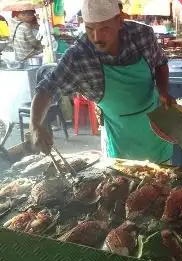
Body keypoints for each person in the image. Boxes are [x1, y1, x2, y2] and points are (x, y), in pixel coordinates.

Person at [30, 0, 173, 164]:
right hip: (120, 145)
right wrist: (35, 126)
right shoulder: (79, 57)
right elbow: (47, 89)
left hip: (156, 135)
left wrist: (163, 91)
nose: (97, 38)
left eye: (104, 29)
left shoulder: (142, 35)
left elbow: (161, 63)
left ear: (119, 21)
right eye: (90, 29)